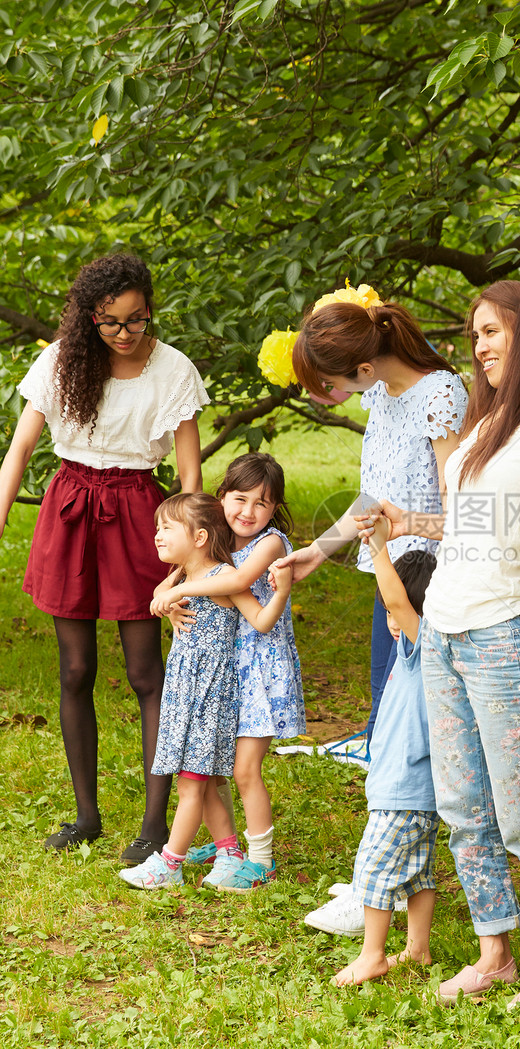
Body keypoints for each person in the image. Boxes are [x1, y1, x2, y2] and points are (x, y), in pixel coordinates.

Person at [364, 280, 520, 1008]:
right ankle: (494, 949)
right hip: (441, 628)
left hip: (506, 635)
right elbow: (472, 525)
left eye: (493, 331)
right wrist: (408, 518)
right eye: (474, 334)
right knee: (463, 803)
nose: (480, 346)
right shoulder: (481, 424)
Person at [0, 254, 209, 860]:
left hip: (137, 512)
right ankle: (85, 816)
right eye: (109, 322)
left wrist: (187, 550)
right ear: (89, 316)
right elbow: (19, 451)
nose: (122, 333)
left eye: (135, 321)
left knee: (147, 674)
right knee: (74, 671)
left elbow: (190, 470)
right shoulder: (64, 358)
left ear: (150, 312)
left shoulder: (173, 370)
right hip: (70, 509)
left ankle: (153, 826)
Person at [282, 286, 467, 934]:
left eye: (325, 384)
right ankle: (381, 873)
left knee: (405, 737)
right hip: (391, 572)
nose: (320, 395)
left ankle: (376, 887)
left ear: (362, 366)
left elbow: (465, 514)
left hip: (428, 586)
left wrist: (397, 528)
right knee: (386, 728)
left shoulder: (441, 396)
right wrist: (317, 549)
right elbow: (373, 492)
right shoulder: (381, 394)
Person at [119, 493, 293, 889]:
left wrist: (281, 591)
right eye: (157, 528)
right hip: (184, 692)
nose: (158, 536)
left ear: (199, 537)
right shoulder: (185, 576)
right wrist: (168, 600)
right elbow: (157, 601)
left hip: (209, 697)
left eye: (167, 528)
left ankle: (170, 863)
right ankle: (229, 851)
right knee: (202, 779)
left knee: (191, 784)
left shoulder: (219, 579)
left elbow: (261, 620)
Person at [330, 523, 439, 985]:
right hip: (411, 790)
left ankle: (373, 954)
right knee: (418, 875)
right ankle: (418, 951)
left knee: (372, 871)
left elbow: (398, 601)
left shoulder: (425, 644)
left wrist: (375, 546)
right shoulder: (406, 648)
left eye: (402, 609)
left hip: (404, 791)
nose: (392, 615)